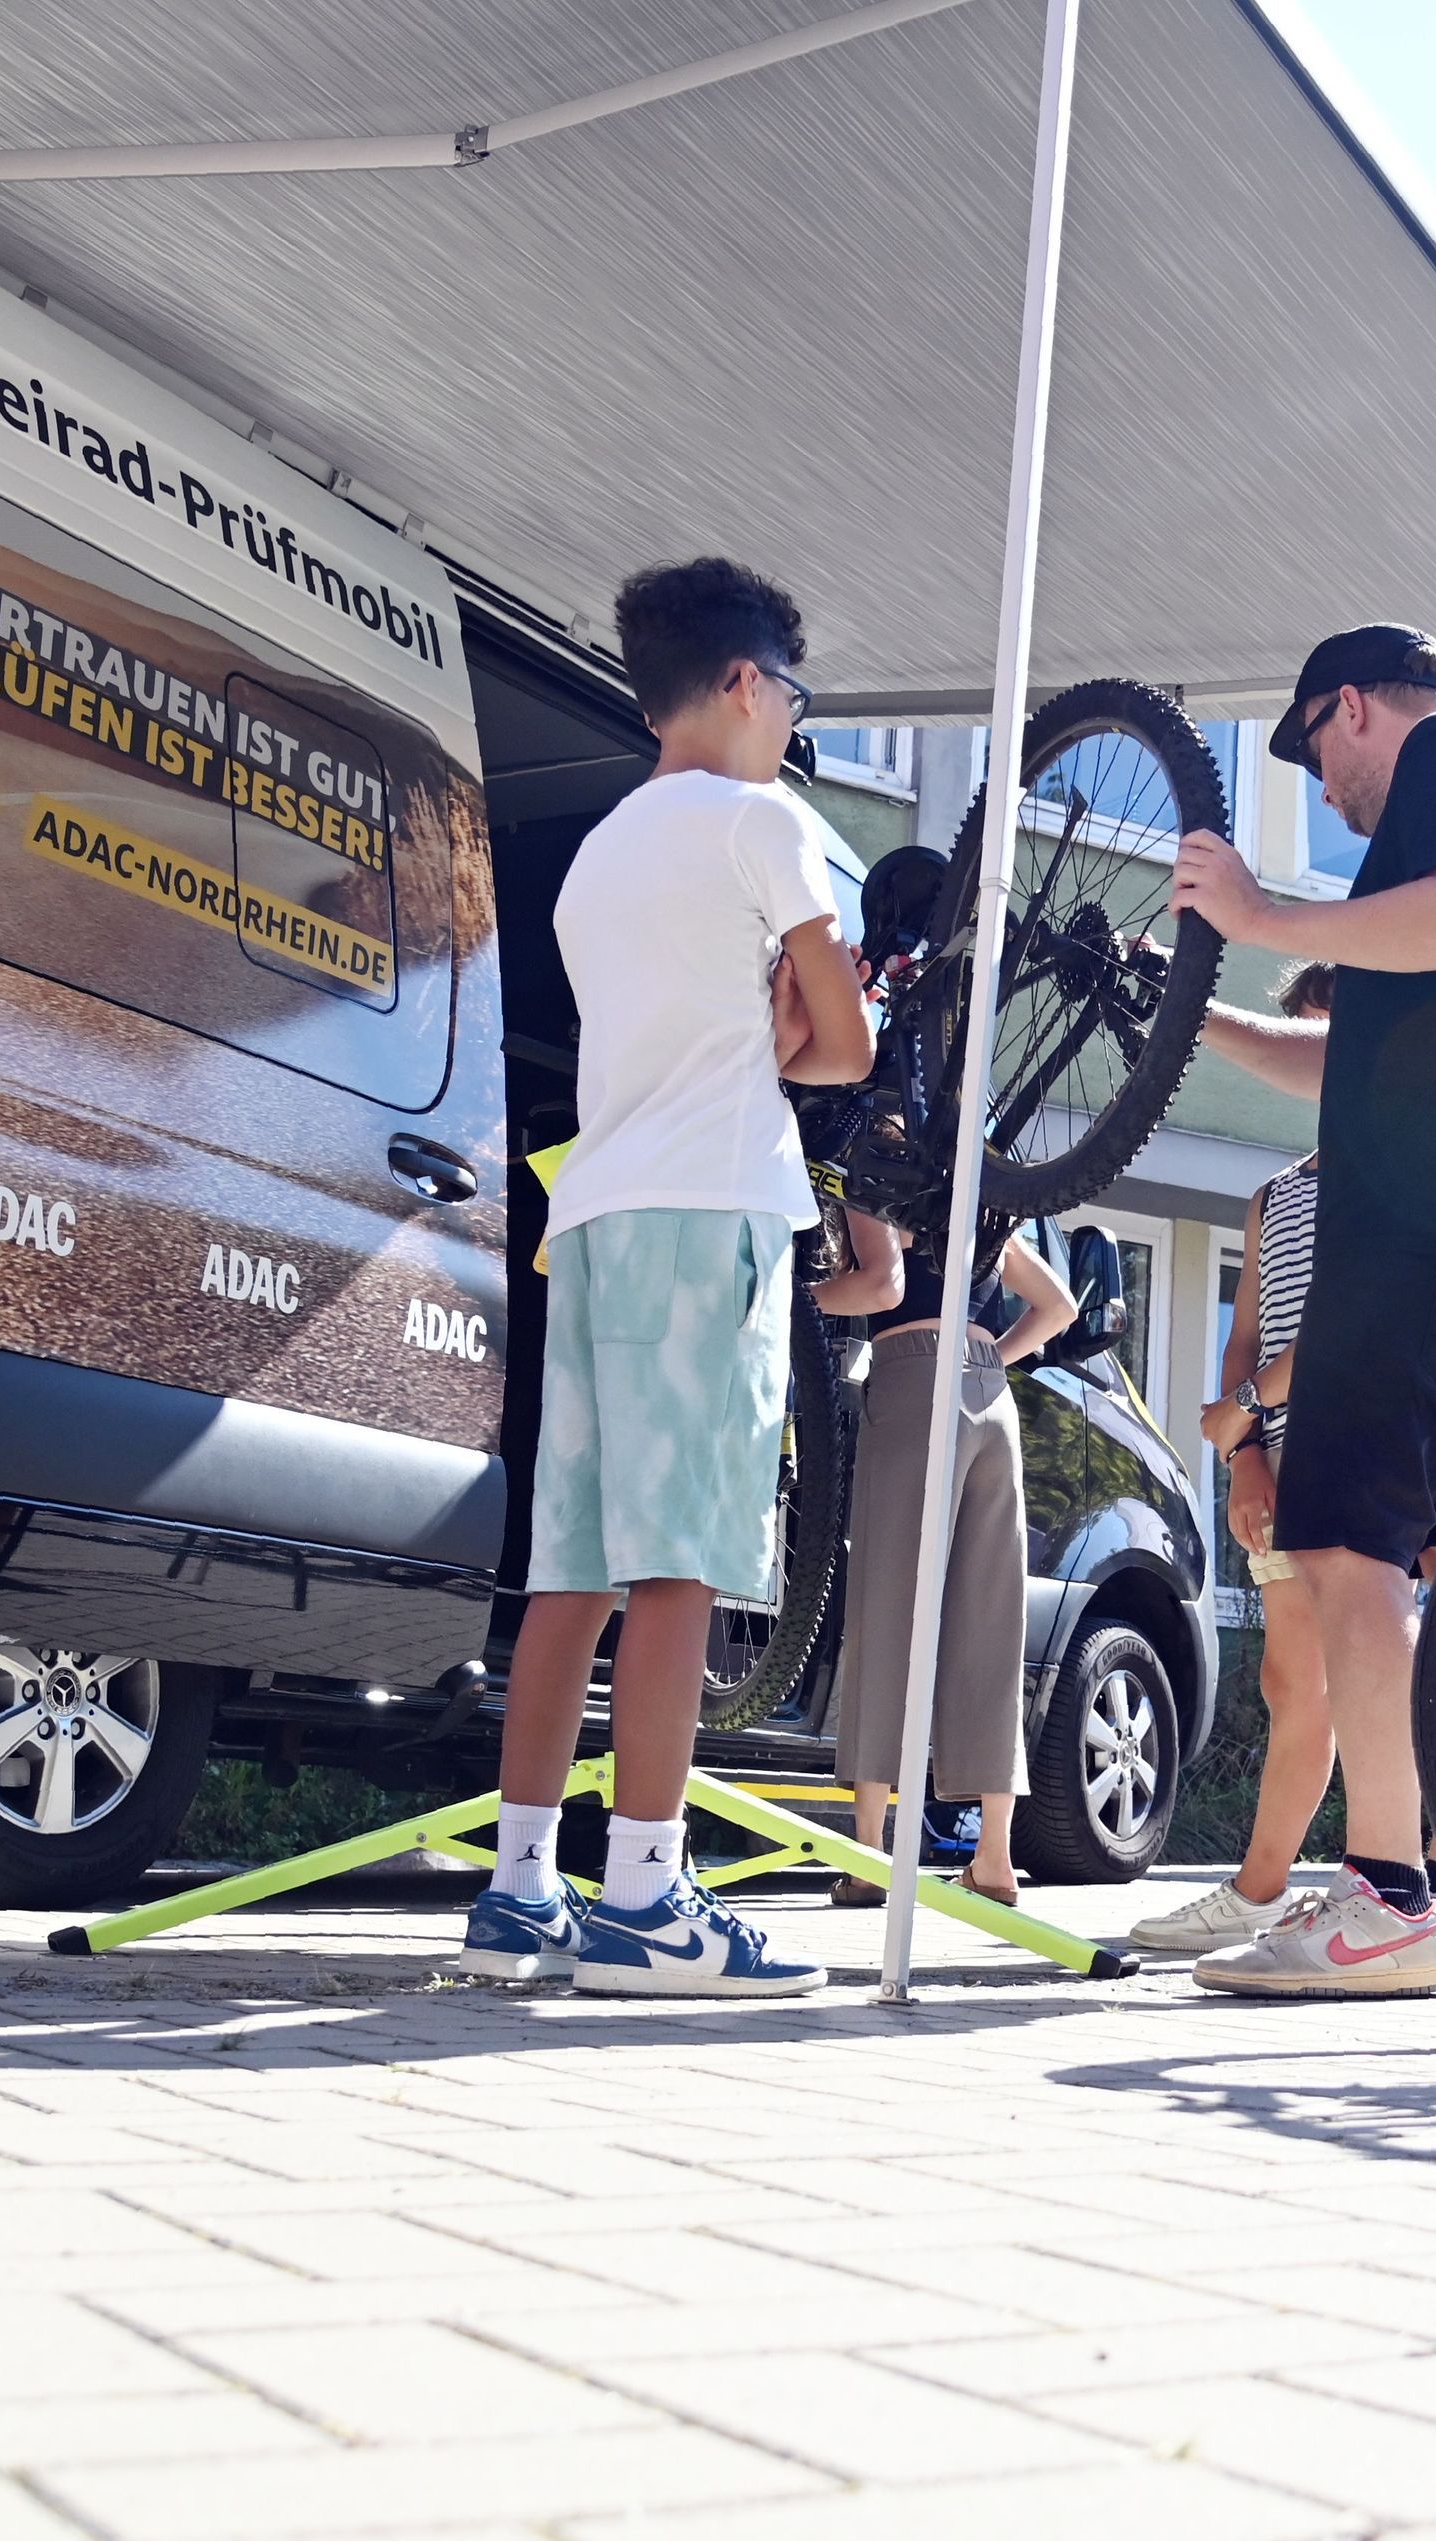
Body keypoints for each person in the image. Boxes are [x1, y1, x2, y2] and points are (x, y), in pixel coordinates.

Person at [459, 559, 875, 1998]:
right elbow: (845, 1050)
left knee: (571, 1563)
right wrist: (793, 1024)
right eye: (794, 699)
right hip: (712, 1209)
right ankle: (645, 1891)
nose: (791, 728)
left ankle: (520, 1885)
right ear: (750, 683)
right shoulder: (770, 823)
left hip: (595, 1213)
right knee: (683, 1555)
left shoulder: (596, 854)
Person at [1164, 624, 1436, 1999]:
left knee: (1346, 1548)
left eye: (1314, 753)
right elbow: (1349, 1056)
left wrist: (1268, 916)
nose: (1328, 791)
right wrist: (1199, 1023)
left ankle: (1385, 1898)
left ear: (1351, 707)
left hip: (1424, 1240)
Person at [1136, 964, 1340, 1954]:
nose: (1309, 1069)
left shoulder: (1395, 1175)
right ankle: (1260, 1893)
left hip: (1363, 1452)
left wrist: (1250, 1408)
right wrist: (1247, 1456)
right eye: (1298, 1045)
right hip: (1284, 1461)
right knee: (1292, 1683)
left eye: (1325, 1044)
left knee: (1371, 1674)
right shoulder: (1275, 1196)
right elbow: (1246, 1333)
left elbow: (1348, 1323)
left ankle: (1350, 1884)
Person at [824, 1210, 1075, 1911]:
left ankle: (870, 1851)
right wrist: (993, 1359)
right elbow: (1061, 1306)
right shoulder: (981, 1202)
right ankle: (994, 1854)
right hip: (993, 1398)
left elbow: (877, 1288)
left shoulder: (883, 1181)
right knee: (992, 1625)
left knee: (886, 1612)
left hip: (911, 1380)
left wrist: (791, 1293)